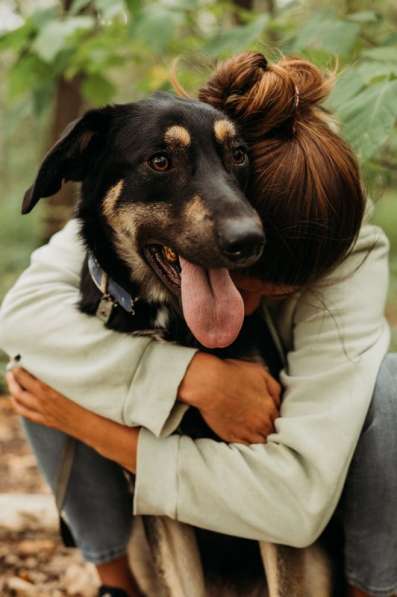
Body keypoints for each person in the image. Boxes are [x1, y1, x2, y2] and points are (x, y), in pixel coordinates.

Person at [1, 52, 394, 597]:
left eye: (257, 259)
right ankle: (117, 584)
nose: (237, 236)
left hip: (303, 507)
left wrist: (105, 430)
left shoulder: (342, 241)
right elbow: (20, 320)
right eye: (164, 163)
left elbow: (297, 501)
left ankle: (370, 590)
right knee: (43, 365)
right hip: (181, 525)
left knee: (390, 387)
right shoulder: (125, 210)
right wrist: (189, 378)